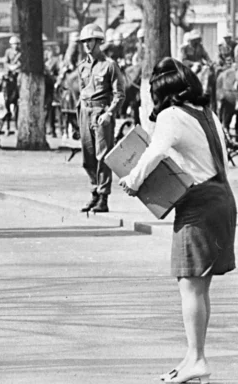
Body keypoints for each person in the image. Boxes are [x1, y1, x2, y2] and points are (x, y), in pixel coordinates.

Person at [119, 57, 236, 384]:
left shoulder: (172, 115)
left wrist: (133, 180)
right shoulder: (207, 114)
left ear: (164, 93)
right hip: (222, 198)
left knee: (189, 285)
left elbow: (155, 150)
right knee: (199, 287)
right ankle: (192, 358)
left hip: (198, 203)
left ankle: (197, 360)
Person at [77, 23, 125, 213]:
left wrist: (109, 113)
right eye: (85, 41)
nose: (87, 45)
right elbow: (82, 91)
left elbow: (119, 94)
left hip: (100, 113)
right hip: (84, 113)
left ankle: (103, 197)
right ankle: (95, 192)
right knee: (87, 157)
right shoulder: (82, 67)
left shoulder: (110, 65)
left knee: (102, 157)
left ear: (99, 42)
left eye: (91, 41)